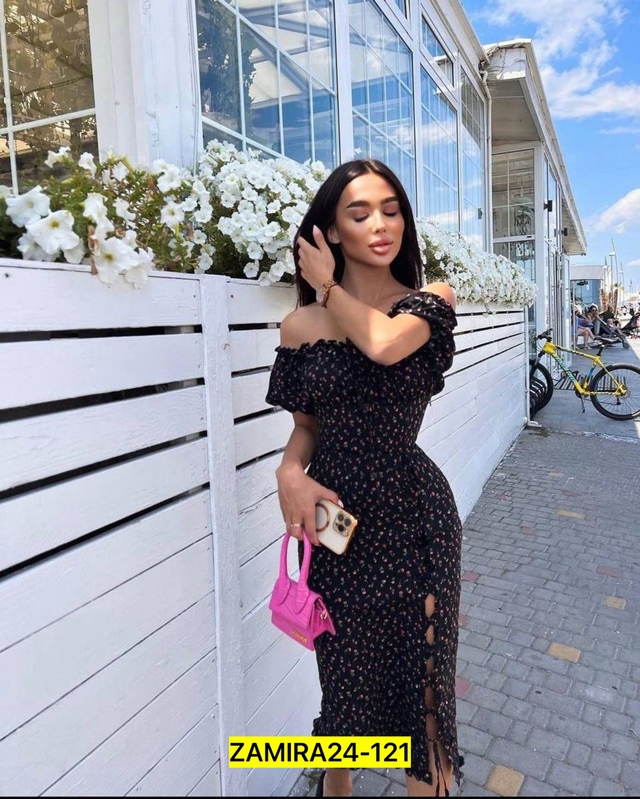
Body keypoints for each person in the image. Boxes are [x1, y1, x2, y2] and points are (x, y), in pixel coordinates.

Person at [265, 159, 463, 798]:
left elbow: (381, 345)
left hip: (413, 519)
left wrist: (327, 288)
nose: (381, 225)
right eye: (360, 213)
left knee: (424, 701)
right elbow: (306, 428)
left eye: (391, 210)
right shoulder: (299, 328)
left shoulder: (429, 302)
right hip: (338, 525)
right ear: (329, 231)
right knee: (344, 688)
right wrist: (289, 471)